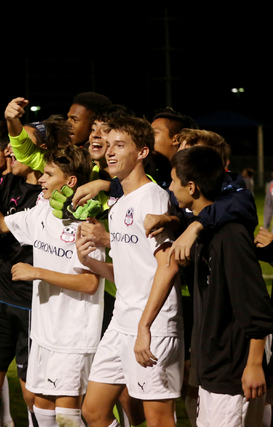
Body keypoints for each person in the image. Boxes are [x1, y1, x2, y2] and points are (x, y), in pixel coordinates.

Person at [0, 143, 105, 427]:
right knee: (40, 408)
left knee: (66, 415)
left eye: (48, 174)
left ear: (70, 182)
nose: (41, 179)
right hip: (44, 332)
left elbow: (90, 282)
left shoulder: (87, 225)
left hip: (73, 335)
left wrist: (39, 273)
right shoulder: (42, 212)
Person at [79, 117, 182, 427]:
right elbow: (131, 271)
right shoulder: (121, 203)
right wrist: (91, 263)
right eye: (108, 145)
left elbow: (169, 265)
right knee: (94, 412)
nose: (110, 152)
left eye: (120, 145)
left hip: (153, 325)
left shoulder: (152, 197)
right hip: (122, 322)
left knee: (158, 419)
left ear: (142, 152)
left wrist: (144, 326)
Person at [170, 145, 273, 426]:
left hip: (233, 375)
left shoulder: (231, 236)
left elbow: (256, 306)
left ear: (191, 187)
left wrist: (253, 365)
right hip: (214, 370)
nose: (169, 187)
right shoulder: (206, 231)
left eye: (173, 181)